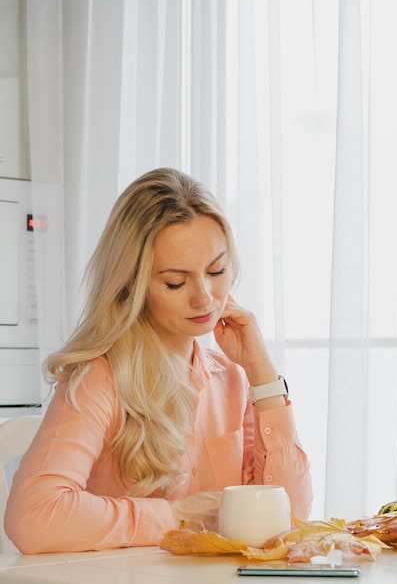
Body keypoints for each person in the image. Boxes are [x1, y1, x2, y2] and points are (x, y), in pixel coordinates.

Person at [5, 168, 312, 554]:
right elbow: (34, 516)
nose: (205, 298)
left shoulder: (231, 377)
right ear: (131, 284)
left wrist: (262, 374)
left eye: (216, 271)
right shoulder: (101, 378)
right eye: (175, 282)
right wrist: (174, 515)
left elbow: (291, 517)